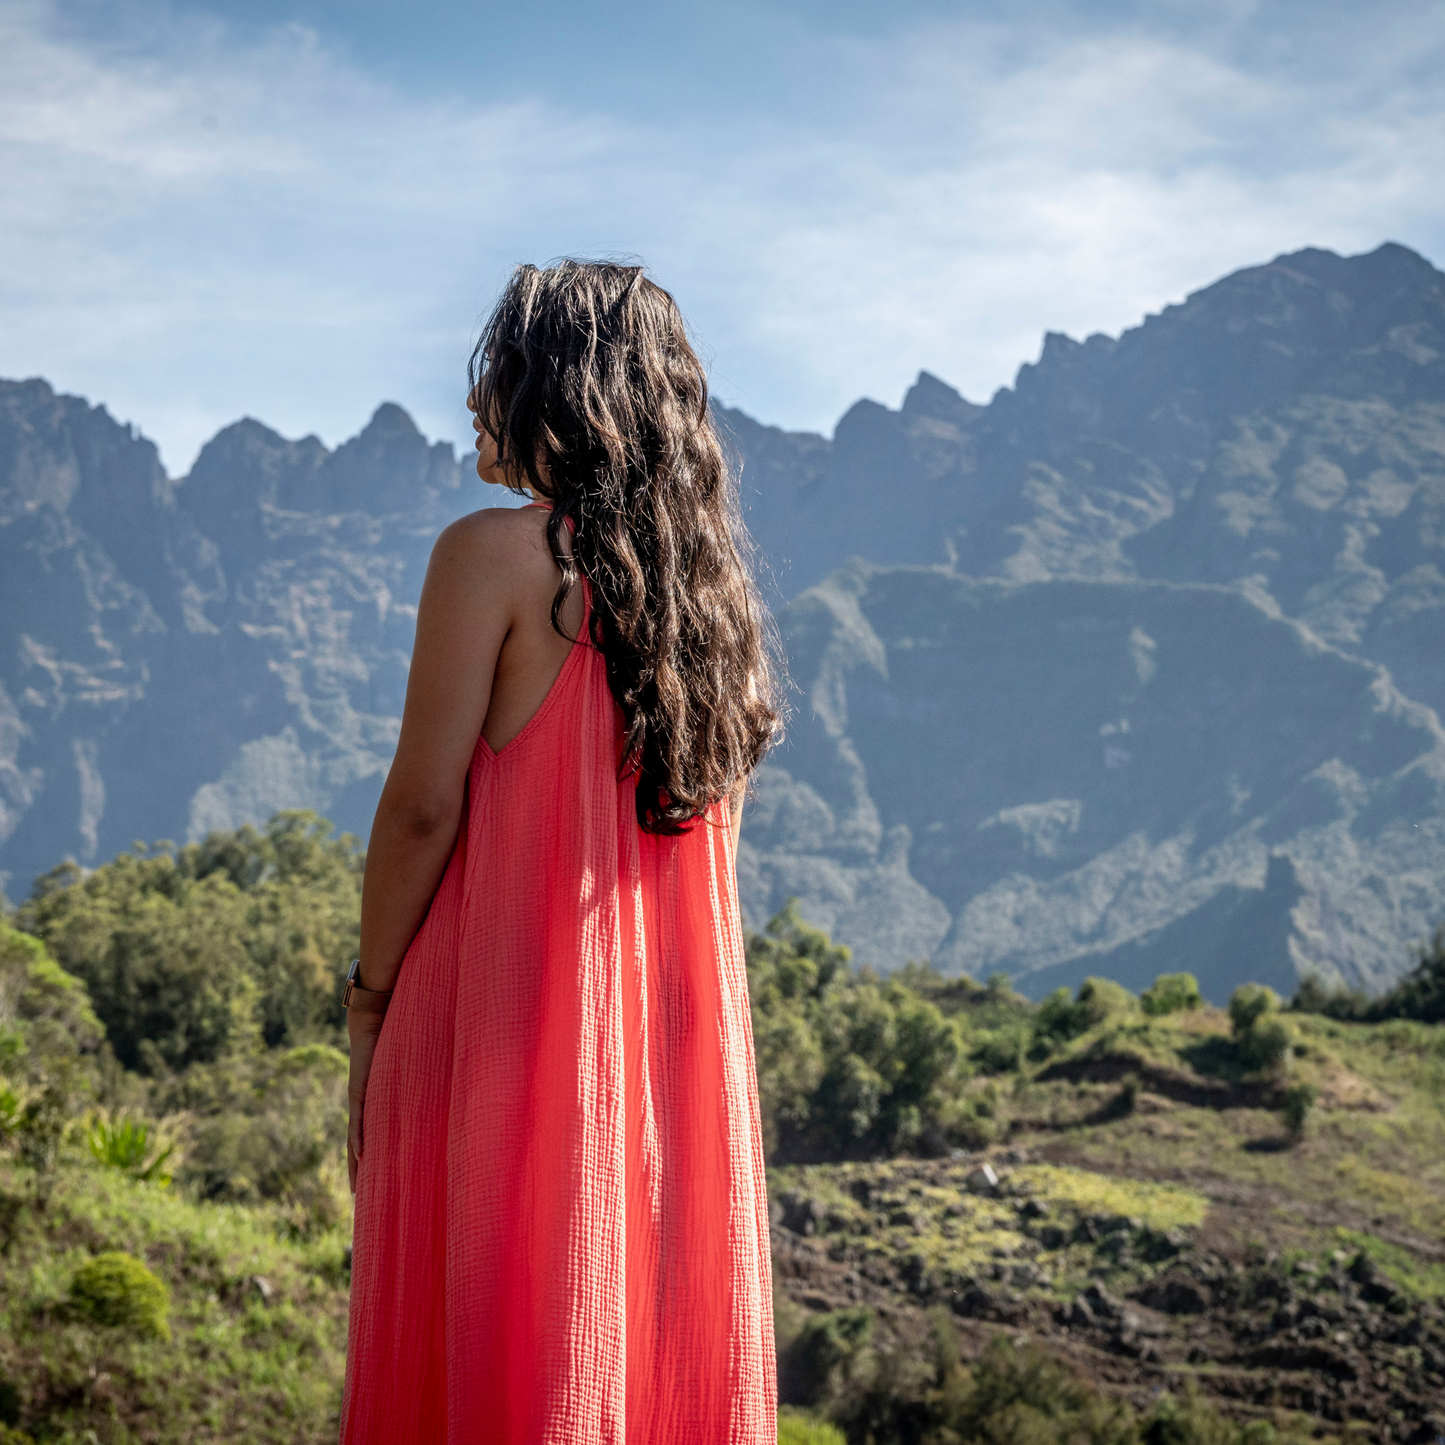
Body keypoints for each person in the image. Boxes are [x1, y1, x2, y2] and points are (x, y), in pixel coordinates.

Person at [340, 260, 782, 1444]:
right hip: (660, 1064)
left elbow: (423, 809)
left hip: (490, 1030)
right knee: (626, 1352)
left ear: (559, 390)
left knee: (479, 1355)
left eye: (500, 367)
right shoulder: (711, 610)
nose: (476, 395)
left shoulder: (491, 555)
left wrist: (368, 1000)